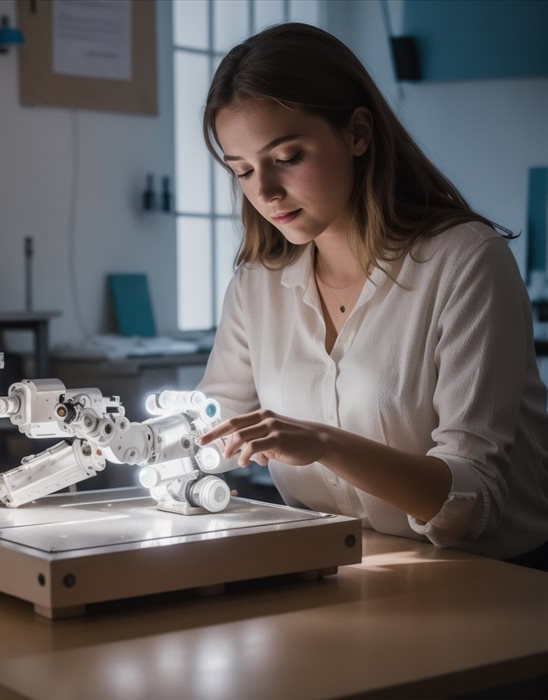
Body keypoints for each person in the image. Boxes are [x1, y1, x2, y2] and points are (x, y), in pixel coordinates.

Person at [195, 23, 548, 569]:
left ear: (358, 132)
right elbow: (213, 427)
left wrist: (325, 444)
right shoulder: (258, 283)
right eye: (242, 170)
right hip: (341, 570)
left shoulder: (464, 260)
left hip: (494, 578)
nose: (263, 191)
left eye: (286, 157)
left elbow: (471, 500)